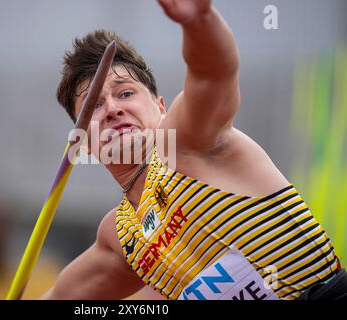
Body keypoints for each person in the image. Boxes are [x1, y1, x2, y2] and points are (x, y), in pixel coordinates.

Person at [42, 0, 345, 300]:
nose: (112, 109)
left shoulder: (185, 142)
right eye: (94, 105)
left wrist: (199, 21)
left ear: (160, 107)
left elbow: (214, 73)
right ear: (84, 143)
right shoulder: (120, 237)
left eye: (125, 93)